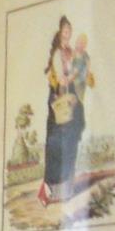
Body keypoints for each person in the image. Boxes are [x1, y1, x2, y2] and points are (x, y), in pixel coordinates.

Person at [40, 15, 93, 206]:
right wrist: (67, 81)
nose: (68, 34)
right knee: (56, 144)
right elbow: (59, 79)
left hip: (71, 99)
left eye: (70, 31)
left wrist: (78, 76)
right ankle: (51, 190)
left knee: (71, 142)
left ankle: (67, 189)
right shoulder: (57, 53)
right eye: (65, 31)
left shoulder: (73, 52)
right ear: (60, 32)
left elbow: (78, 73)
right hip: (59, 100)